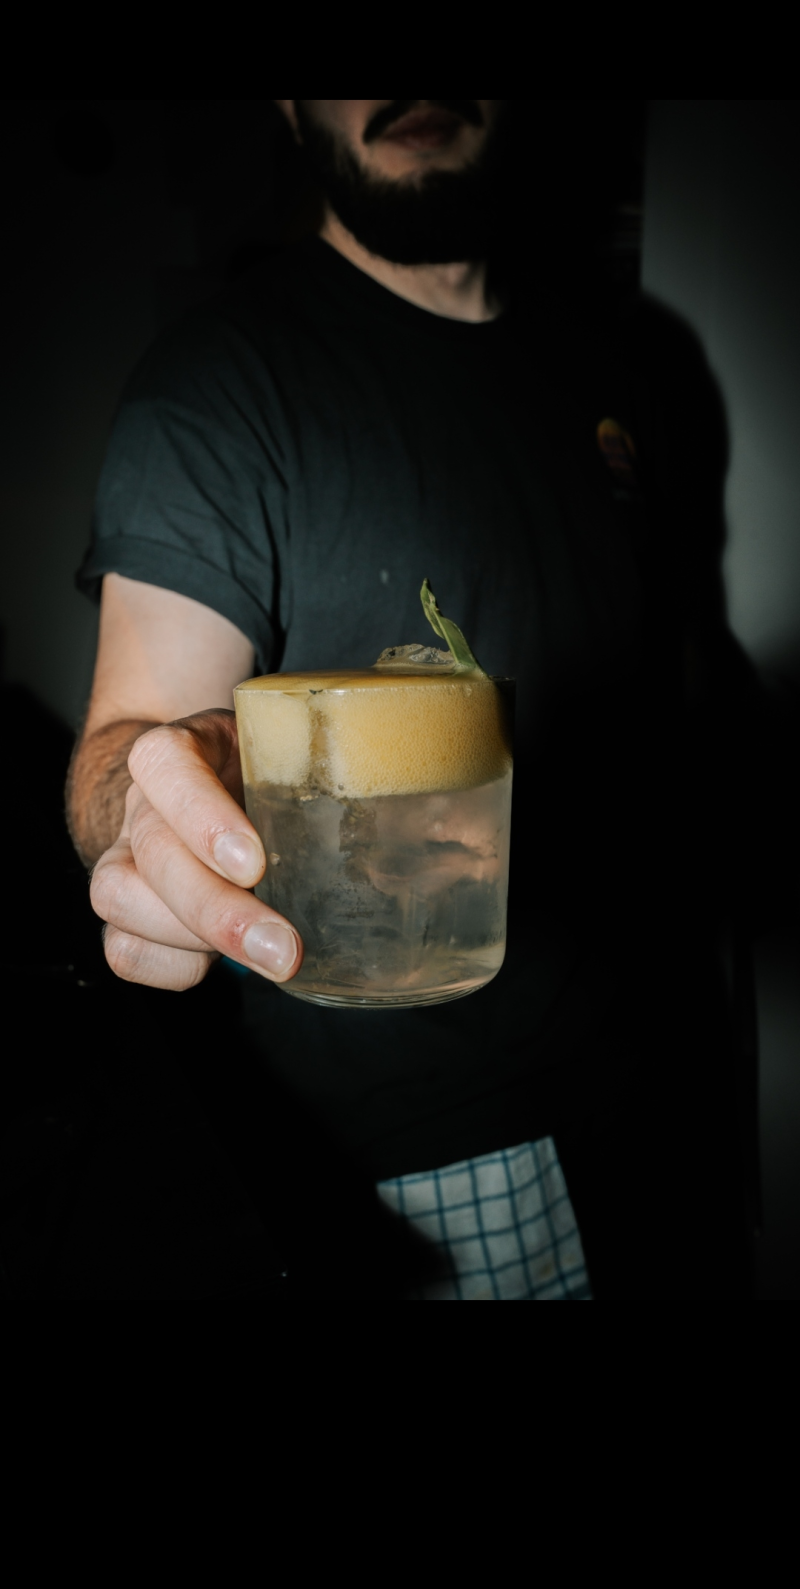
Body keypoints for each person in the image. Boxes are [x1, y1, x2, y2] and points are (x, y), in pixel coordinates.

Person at [66, 100, 791, 1299]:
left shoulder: (633, 364)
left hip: (661, 1074)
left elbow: (673, 669)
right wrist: (151, 807)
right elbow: (127, 743)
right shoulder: (215, 382)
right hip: (430, 1142)